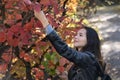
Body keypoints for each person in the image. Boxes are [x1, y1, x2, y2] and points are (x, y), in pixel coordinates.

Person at [34, 10, 104, 80]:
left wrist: (44, 21)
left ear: (90, 40)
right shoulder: (85, 60)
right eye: (76, 34)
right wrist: (69, 77)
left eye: (80, 35)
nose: (75, 37)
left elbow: (65, 50)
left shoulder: (89, 58)